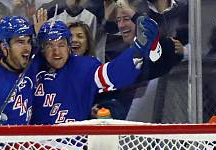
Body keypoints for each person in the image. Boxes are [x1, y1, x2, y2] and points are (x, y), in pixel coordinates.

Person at [29, 16, 160, 124]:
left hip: (70, 147)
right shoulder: (32, 68)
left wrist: (136, 51)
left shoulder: (83, 67)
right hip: (31, 148)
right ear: (42, 48)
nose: (56, 51)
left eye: (61, 45)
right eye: (49, 45)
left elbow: (113, 74)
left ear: (69, 47)